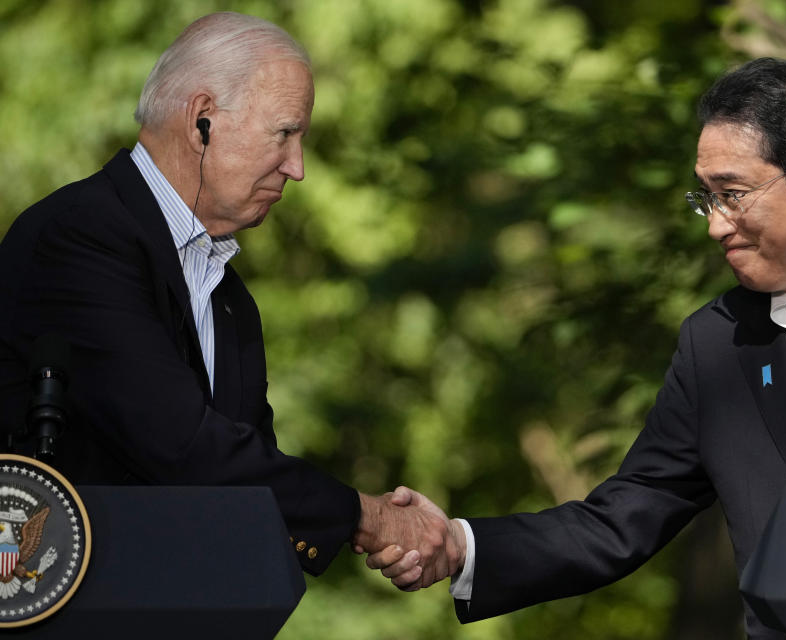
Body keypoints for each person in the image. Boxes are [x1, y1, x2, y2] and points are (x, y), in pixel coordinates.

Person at [364, 57, 786, 638]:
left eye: (734, 193)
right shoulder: (716, 343)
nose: (715, 225)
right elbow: (628, 513)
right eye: (707, 198)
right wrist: (465, 546)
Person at [0, 12, 460, 583]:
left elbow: (244, 485)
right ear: (202, 121)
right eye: (285, 133)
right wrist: (365, 517)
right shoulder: (78, 236)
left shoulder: (230, 298)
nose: (297, 168)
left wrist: (359, 524)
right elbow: (178, 444)